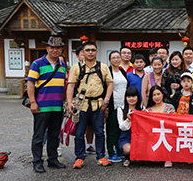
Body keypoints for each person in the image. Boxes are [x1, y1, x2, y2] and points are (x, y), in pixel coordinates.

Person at [66, 41, 114, 169]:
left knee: (99, 132)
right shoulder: (77, 68)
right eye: (87, 50)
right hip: (82, 104)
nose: (90, 52)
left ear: (96, 52)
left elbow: (110, 84)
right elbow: (71, 85)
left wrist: (106, 100)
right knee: (79, 132)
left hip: (98, 104)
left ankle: (101, 156)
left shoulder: (102, 67)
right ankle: (79, 157)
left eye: (93, 50)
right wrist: (69, 102)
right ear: (83, 52)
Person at [27, 36, 68, 173]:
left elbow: (65, 84)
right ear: (47, 48)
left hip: (57, 106)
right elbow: (30, 83)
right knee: (39, 136)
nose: (55, 50)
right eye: (52, 47)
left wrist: (65, 101)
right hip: (42, 106)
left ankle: (52, 159)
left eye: (58, 48)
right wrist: (33, 102)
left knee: (54, 135)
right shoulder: (37, 63)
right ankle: (37, 162)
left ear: (61, 49)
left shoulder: (62, 65)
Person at [106, 51, 129, 163]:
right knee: (112, 130)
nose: (116, 59)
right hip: (113, 105)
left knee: (120, 129)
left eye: (118, 57)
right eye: (113, 58)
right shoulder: (108, 71)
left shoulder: (122, 71)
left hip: (123, 105)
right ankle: (111, 153)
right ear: (110, 60)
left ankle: (119, 150)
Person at [146, 85, 176, 168]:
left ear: (162, 94)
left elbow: (174, 124)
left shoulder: (170, 107)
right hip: (154, 136)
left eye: (158, 94)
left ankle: (168, 158)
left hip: (167, 134)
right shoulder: (148, 110)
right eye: (154, 95)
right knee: (153, 158)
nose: (157, 97)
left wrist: (172, 116)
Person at [117, 87, 143, 167]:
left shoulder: (142, 109)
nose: (131, 99)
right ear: (125, 98)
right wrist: (128, 119)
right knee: (128, 149)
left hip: (140, 137)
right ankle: (127, 158)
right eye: (129, 96)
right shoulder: (121, 109)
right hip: (126, 137)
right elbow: (122, 127)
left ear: (138, 97)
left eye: (134, 96)